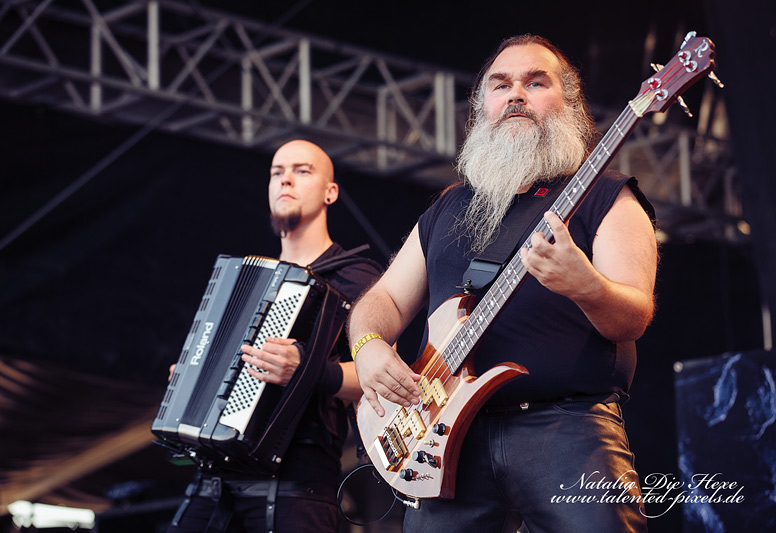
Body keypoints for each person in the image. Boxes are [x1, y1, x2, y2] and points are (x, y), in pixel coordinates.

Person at [348, 35, 657, 532]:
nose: (516, 94)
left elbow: (634, 315)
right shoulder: (448, 207)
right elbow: (383, 297)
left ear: (570, 105)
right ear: (481, 109)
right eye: (501, 84)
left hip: (566, 431)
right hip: (443, 441)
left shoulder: (606, 196)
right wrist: (366, 348)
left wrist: (584, 285)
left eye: (536, 82)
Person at [168, 139, 381, 533]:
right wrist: (190, 379)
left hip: (298, 482)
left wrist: (307, 371)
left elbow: (379, 381)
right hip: (216, 476)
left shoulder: (356, 277)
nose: (286, 180)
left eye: (303, 171)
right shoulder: (245, 282)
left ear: (330, 192)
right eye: (277, 173)